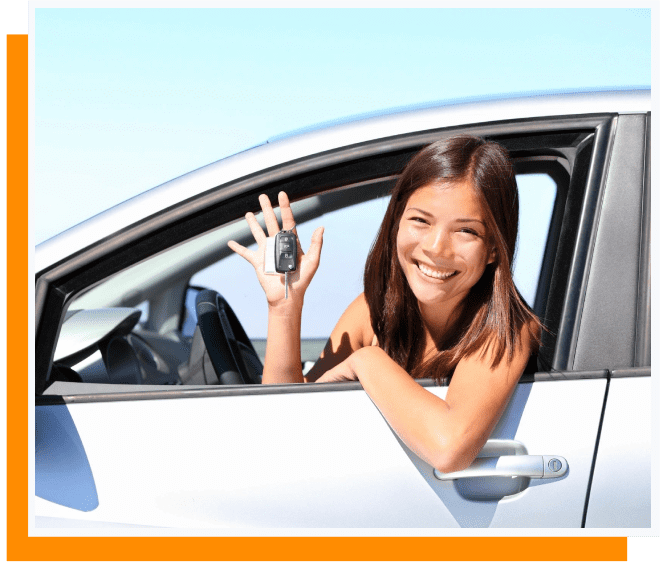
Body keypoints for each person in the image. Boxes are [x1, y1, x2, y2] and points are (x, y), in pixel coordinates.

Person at [228, 135, 541, 474]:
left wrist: (366, 360)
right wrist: (285, 307)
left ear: (494, 248)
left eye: (465, 231)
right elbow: (285, 420)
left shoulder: (507, 328)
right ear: (396, 223)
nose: (437, 248)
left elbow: (449, 449)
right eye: (420, 221)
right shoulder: (372, 312)